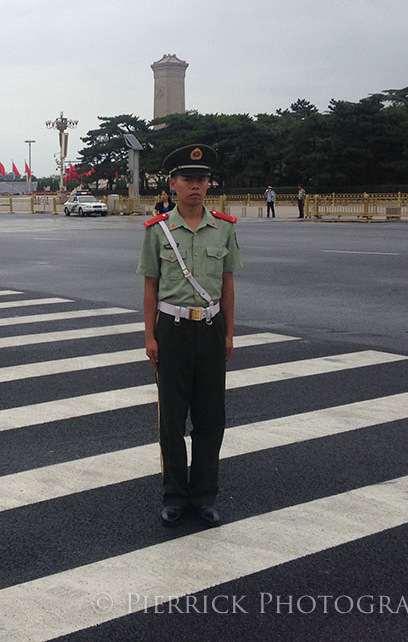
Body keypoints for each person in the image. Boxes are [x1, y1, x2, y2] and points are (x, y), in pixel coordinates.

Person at [138, 144, 243, 528]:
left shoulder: (224, 228)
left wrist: (230, 333)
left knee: (211, 417)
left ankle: (204, 495)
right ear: (173, 184)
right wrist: (150, 336)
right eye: (187, 179)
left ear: (208, 183)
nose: (195, 186)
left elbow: (228, 285)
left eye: (201, 179)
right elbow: (151, 286)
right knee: (172, 420)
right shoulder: (157, 231)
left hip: (212, 329)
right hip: (173, 330)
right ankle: (174, 496)